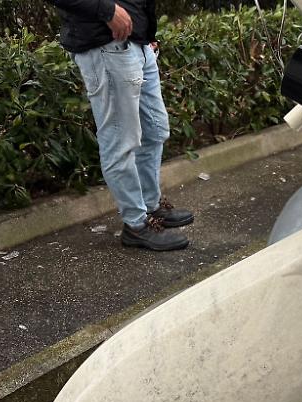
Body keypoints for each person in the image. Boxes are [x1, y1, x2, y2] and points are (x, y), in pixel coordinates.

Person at [46, 0, 194, 251]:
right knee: (120, 140)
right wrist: (108, 10)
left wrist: (146, 34)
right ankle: (136, 225)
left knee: (155, 130)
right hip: (105, 46)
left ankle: (150, 205)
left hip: (137, 44)